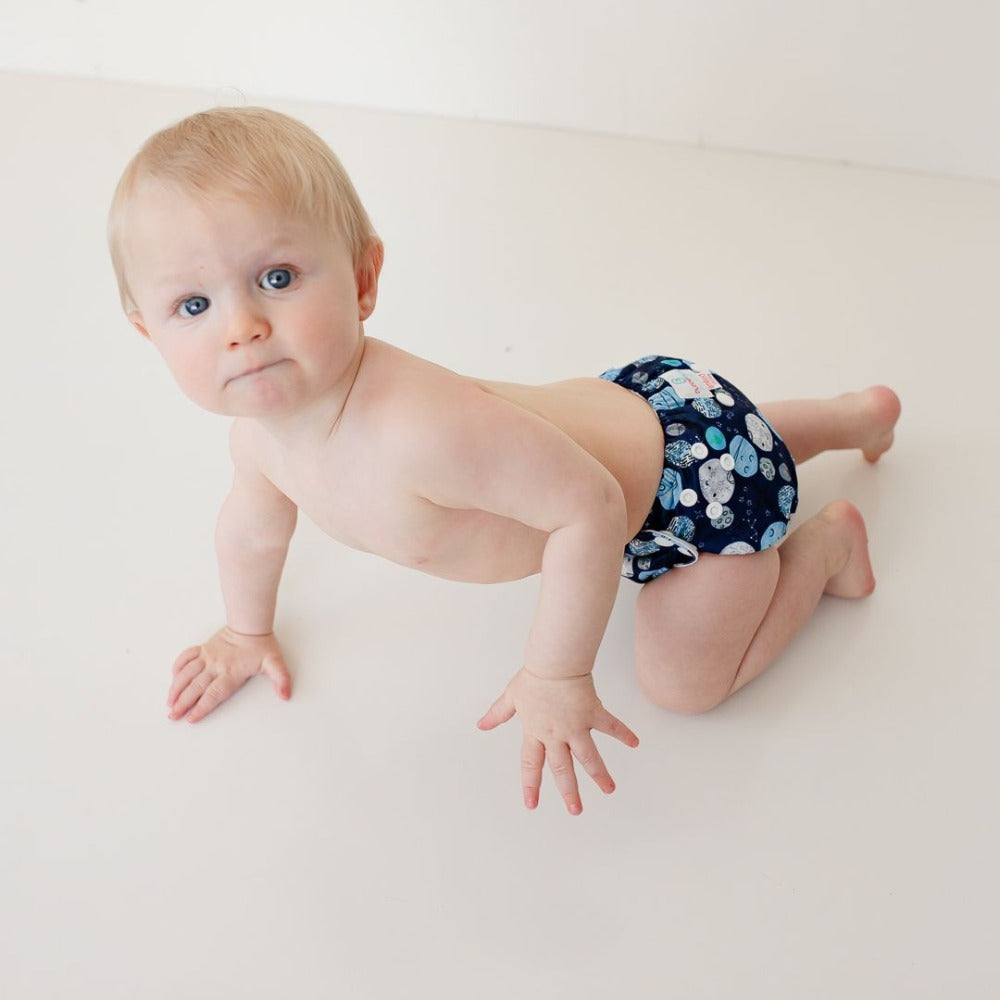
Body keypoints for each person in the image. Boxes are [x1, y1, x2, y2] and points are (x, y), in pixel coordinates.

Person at [108, 107, 901, 815]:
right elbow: (251, 533)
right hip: (666, 415)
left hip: (685, 501)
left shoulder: (417, 431)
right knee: (732, 437)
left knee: (684, 687)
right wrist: (244, 631)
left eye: (276, 278)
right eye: (194, 305)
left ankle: (827, 546)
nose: (241, 326)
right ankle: (852, 416)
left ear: (362, 279)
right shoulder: (257, 439)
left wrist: (557, 672)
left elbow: (591, 508)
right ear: (149, 333)